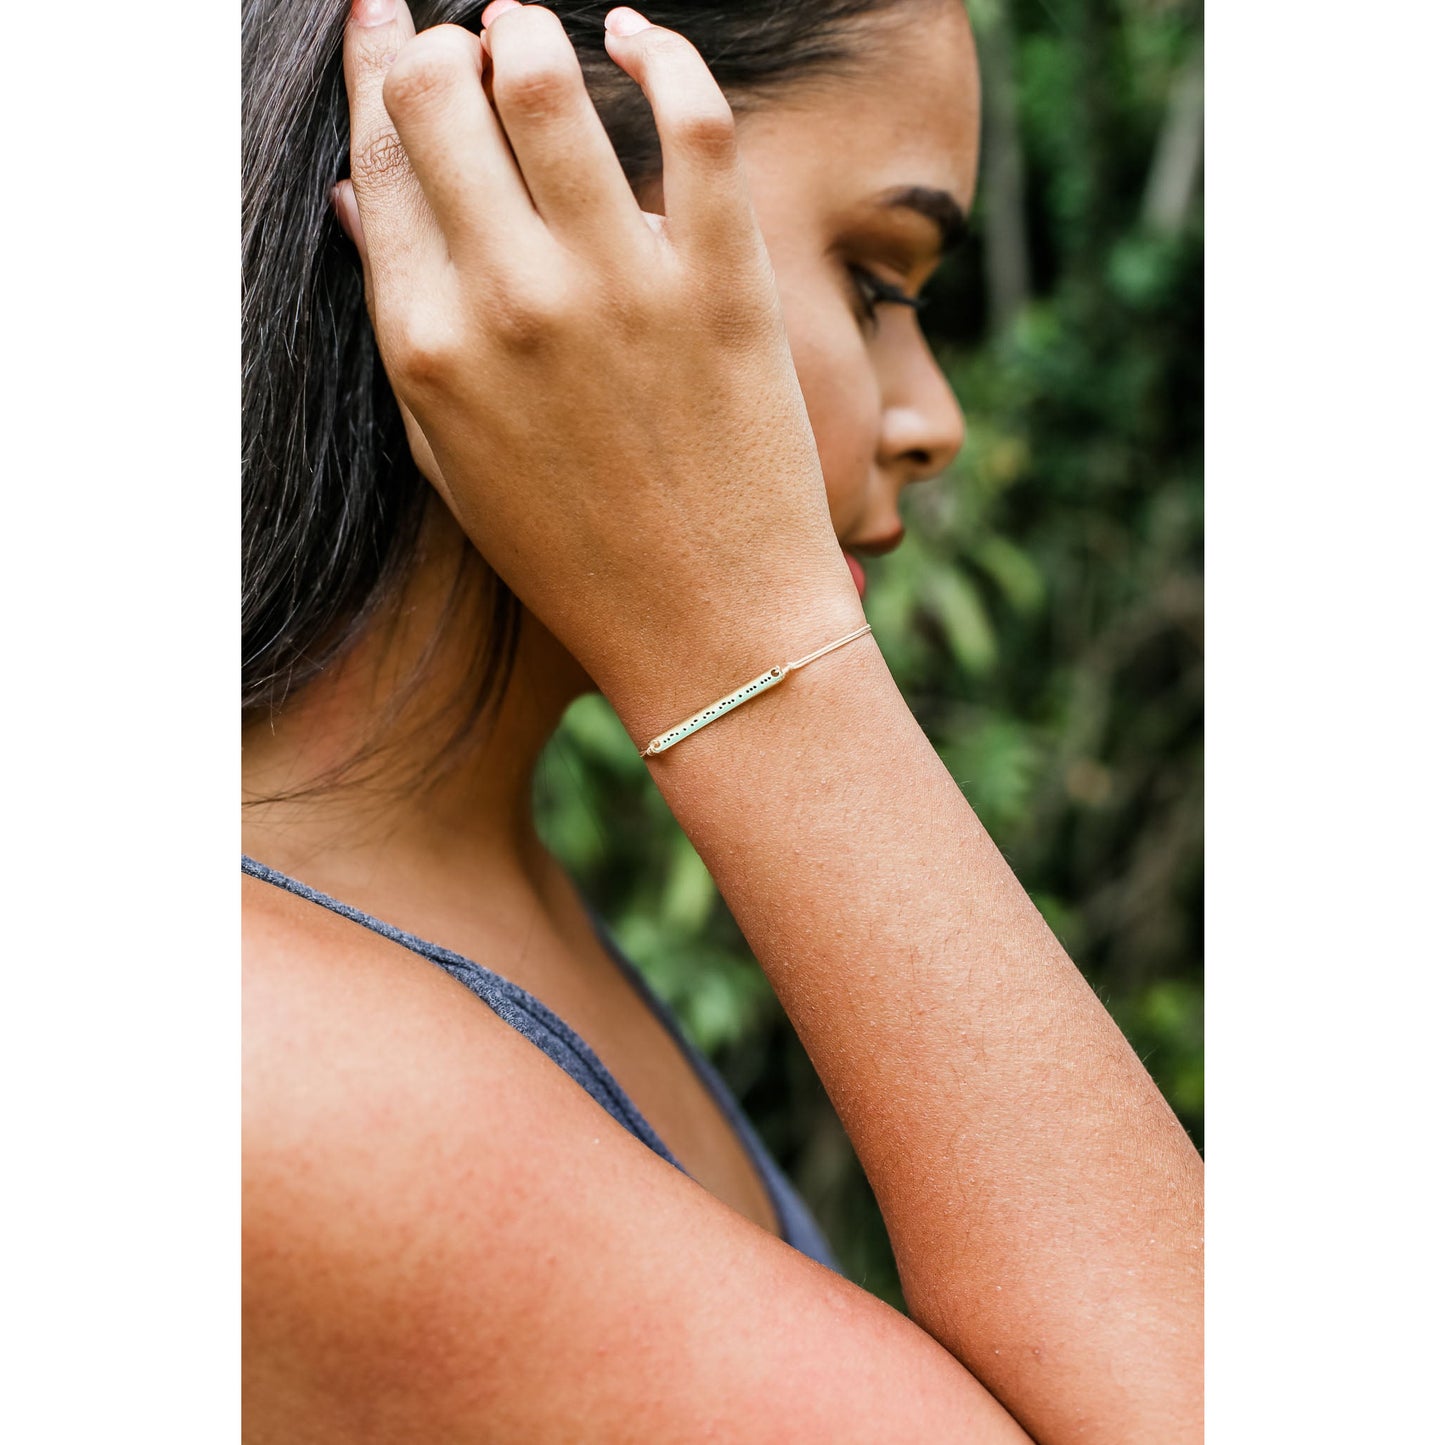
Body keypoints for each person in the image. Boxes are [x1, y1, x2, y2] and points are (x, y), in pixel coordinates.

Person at [242, 1, 1204, 1440]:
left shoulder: (455, 891)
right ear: (505, 183)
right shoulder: (283, 1076)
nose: (931, 415)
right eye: (878, 279)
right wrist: (758, 640)